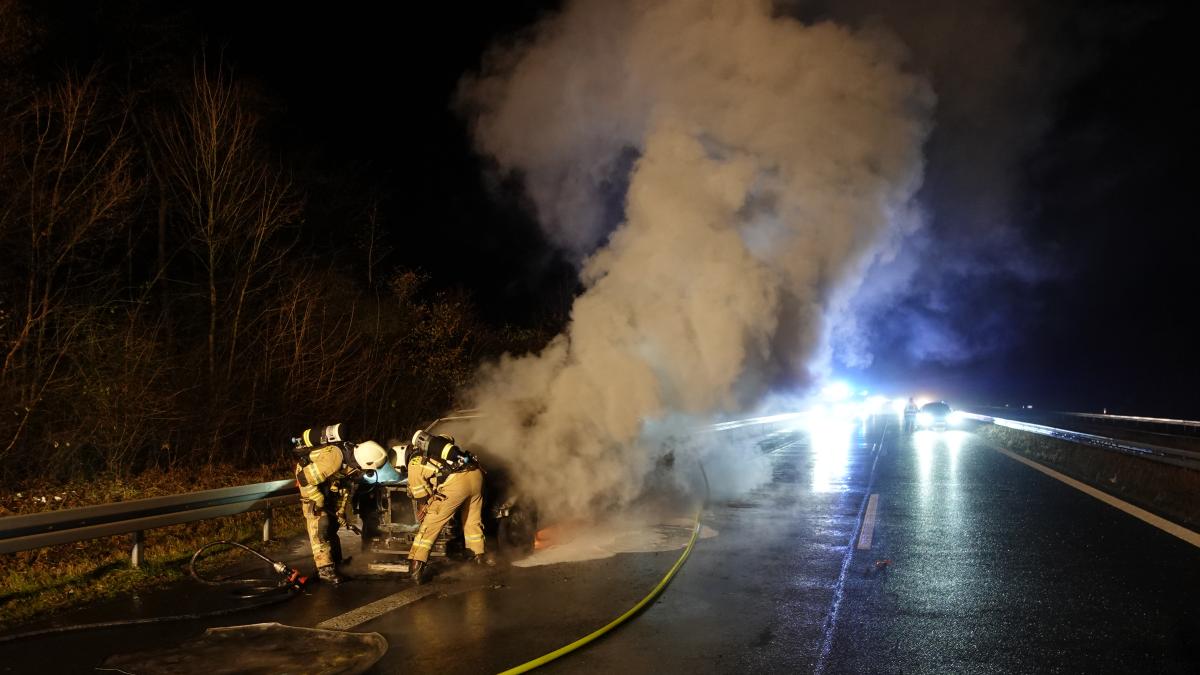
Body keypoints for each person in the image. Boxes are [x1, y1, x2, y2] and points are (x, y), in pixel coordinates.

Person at [293, 424, 390, 584]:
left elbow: (345, 487)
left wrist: (340, 510)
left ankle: (336, 564)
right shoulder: (334, 459)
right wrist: (317, 498)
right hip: (310, 488)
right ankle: (324, 569)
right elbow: (304, 478)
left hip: (326, 485)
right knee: (321, 526)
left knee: (332, 526)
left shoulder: (352, 461)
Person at [405, 430, 493, 584]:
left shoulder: (415, 460)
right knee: (472, 521)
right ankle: (479, 559)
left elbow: (419, 489)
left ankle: (416, 567)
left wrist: (423, 506)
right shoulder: (453, 454)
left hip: (457, 484)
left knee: (430, 526)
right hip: (476, 476)